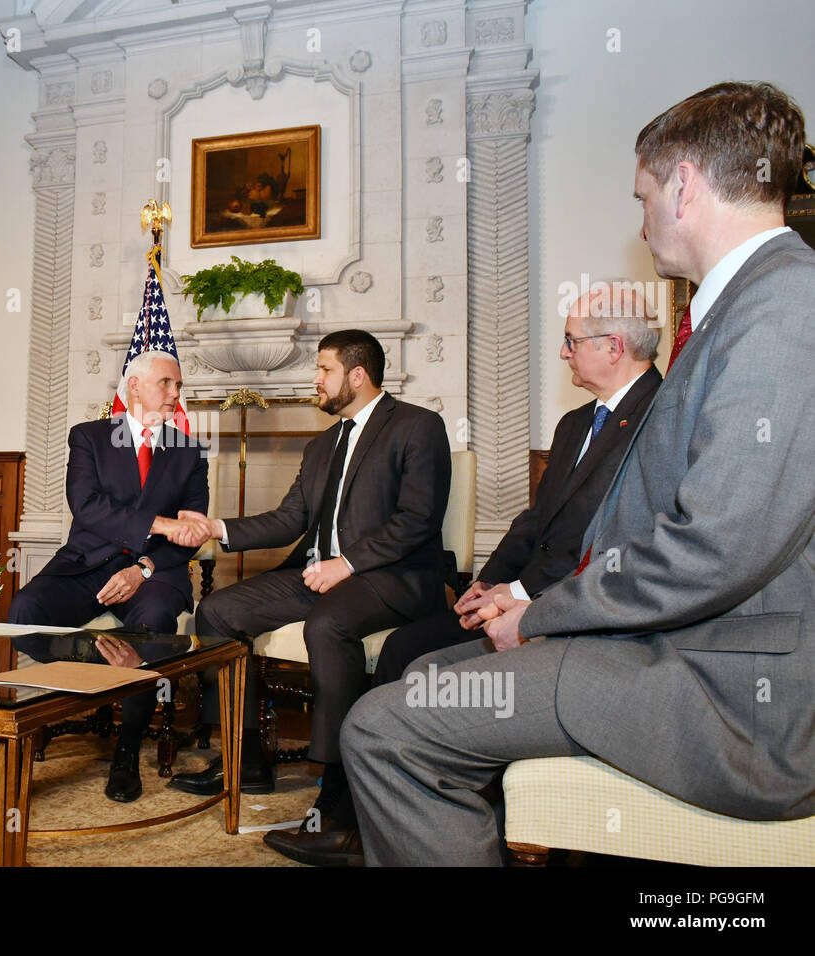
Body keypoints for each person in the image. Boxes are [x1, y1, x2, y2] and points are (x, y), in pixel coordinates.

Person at [342, 81, 815, 865]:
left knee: (384, 729)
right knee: (424, 676)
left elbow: (717, 547)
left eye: (644, 196)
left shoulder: (784, 308)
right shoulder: (748, 306)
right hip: (677, 648)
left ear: (686, 184)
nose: (642, 219)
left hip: (728, 694)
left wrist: (536, 617)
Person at [271, 285, 662, 865]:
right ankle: (368, 814)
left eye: (572, 341)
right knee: (407, 647)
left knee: (409, 661)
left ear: (613, 346)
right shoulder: (579, 423)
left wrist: (519, 595)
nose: (563, 354)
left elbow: (610, 541)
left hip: (578, 610)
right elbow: (536, 521)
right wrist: (487, 581)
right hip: (519, 591)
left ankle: (373, 813)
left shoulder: (660, 418)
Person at [166, 330, 452, 851]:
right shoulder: (323, 444)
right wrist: (216, 527)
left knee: (329, 624)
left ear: (357, 375)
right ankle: (245, 756)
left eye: (324, 370)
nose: (314, 380)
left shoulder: (417, 427)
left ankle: (340, 799)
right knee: (218, 610)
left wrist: (347, 564)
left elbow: (419, 519)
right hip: (321, 576)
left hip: (395, 579)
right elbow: (289, 519)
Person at [0, 350, 210, 805]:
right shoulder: (89, 437)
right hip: (87, 564)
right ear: (134, 385)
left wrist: (144, 567)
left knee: (151, 625)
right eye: (167, 383)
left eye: (178, 385)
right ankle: (19, 740)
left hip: (153, 573)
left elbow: (192, 530)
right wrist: (158, 523)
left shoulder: (189, 452)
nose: (176, 393)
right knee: (25, 610)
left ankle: (126, 753)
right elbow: (86, 507)